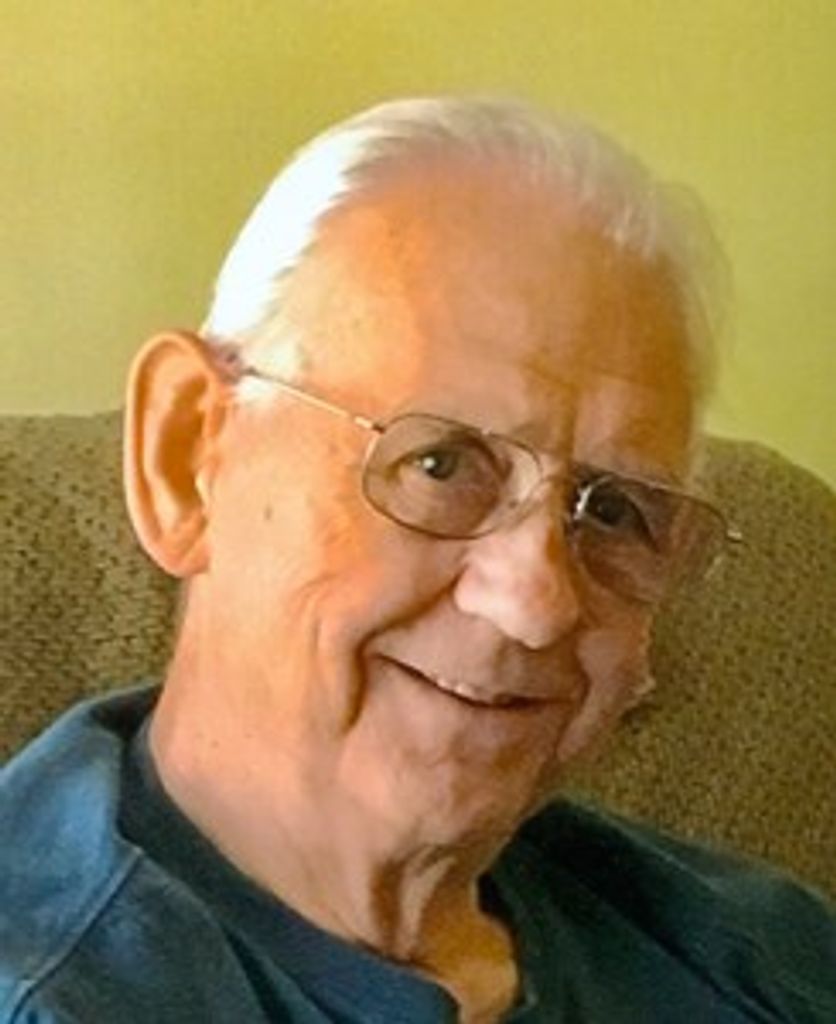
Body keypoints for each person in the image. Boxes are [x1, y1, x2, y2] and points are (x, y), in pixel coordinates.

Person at [1, 96, 834, 1023]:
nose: (534, 604)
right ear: (188, 459)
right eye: (441, 465)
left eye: (613, 511)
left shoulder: (765, 956)